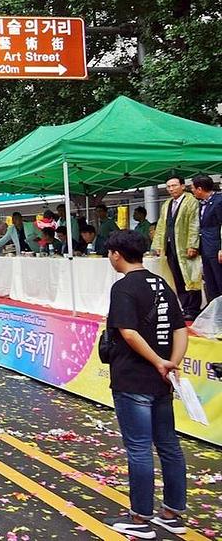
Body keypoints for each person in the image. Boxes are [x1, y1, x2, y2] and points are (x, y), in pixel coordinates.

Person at [102, 230, 188, 539]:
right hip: (162, 380)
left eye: (110, 254)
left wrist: (156, 361)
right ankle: (173, 513)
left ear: (116, 254)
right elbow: (180, 328)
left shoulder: (123, 287)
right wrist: (170, 363)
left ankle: (140, 518)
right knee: (168, 445)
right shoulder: (161, 284)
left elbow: (128, 332)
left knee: (138, 448)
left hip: (133, 377)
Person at [151, 176, 203, 320]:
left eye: (174, 185)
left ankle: (193, 309)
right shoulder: (167, 203)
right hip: (170, 245)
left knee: (191, 276)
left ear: (182, 186)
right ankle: (185, 307)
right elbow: (161, 225)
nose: (171, 189)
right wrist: (158, 245)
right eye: (168, 186)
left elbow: (194, 224)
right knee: (177, 278)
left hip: (185, 245)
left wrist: (193, 245)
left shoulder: (191, 201)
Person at [192, 174, 222, 306]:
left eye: (192, 188)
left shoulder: (219, 201)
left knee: (220, 280)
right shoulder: (201, 204)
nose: (192, 191)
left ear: (199, 189)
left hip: (216, 248)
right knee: (210, 283)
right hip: (205, 248)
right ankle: (215, 315)